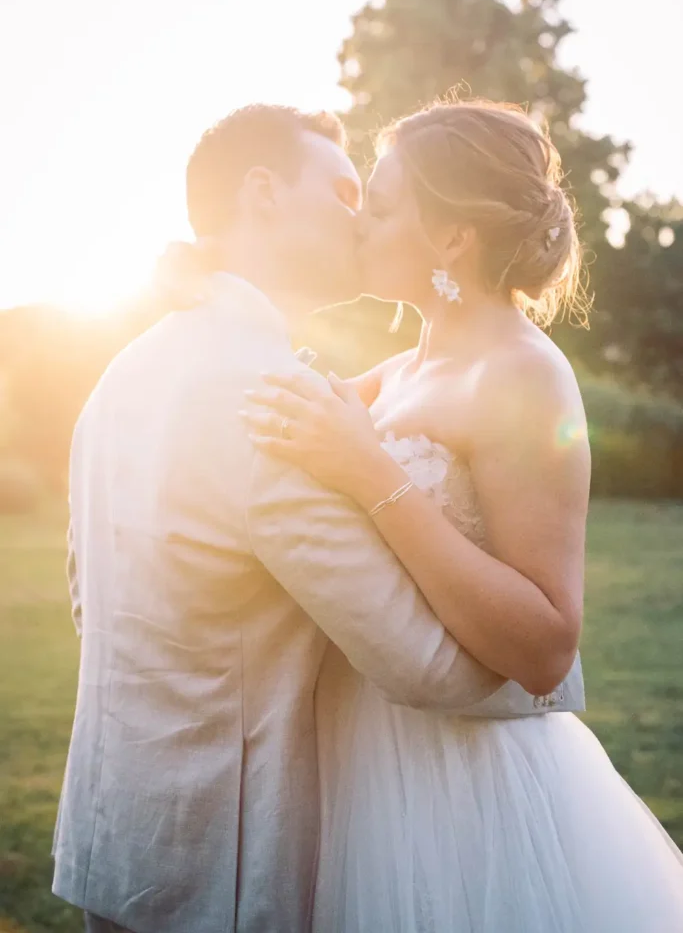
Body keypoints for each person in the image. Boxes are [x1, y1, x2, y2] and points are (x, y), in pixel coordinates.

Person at [53, 103, 520, 933]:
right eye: (343, 191)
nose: (363, 215)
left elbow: (87, 597)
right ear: (264, 193)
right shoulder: (265, 399)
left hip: (114, 843)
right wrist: (543, 667)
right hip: (220, 875)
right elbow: (425, 670)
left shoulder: (125, 371)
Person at [242, 100, 683, 932]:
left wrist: (368, 471)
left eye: (379, 205)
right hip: (365, 766)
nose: (357, 221)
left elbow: (545, 646)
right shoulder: (395, 372)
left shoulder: (522, 376)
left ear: (452, 238)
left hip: (466, 794)